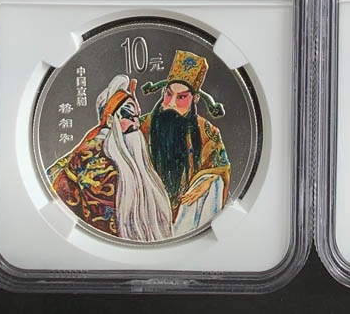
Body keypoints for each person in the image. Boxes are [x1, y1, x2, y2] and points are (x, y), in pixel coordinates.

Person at [47, 75, 173, 241]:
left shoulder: (130, 155)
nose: (136, 124)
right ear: (109, 120)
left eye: (136, 116)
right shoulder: (92, 158)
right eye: (128, 116)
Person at [141, 49, 230, 234]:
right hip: (145, 211)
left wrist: (208, 180)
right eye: (168, 94)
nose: (171, 103)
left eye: (181, 97)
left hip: (186, 214)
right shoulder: (142, 125)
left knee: (213, 183)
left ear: (195, 99)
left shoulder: (207, 132)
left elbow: (222, 169)